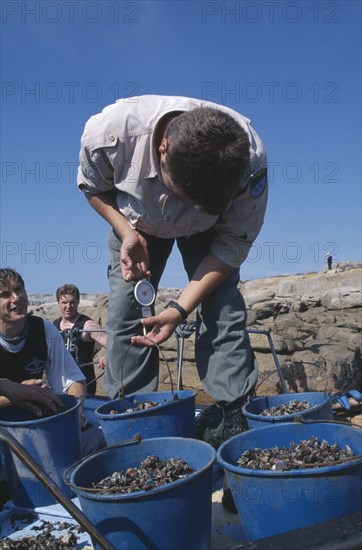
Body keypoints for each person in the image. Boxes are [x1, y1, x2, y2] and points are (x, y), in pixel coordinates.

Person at [77, 95, 268, 449]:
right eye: (183, 194)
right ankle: (129, 415)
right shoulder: (107, 135)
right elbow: (93, 188)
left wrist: (179, 310)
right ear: (163, 148)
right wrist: (126, 231)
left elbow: (231, 247)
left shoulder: (249, 159)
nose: (185, 209)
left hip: (210, 231)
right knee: (124, 315)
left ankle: (235, 413)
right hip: (137, 223)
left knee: (223, 307)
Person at [0, 268, 105, 454]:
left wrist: (76, 411)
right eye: (5, 294)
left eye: (19, 289)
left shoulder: (44, 330)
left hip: (36, 424)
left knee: (98, 437)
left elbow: (72, 380)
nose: (16, 298)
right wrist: (13, 393)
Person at [54, 284, 107, 394]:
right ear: (58, 302)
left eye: (72, 302)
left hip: (85, 385)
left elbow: (113, 343)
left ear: (78, 302)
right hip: (60, 384)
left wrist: (108, 355)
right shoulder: (55, 325)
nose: (68, 306)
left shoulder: (88, 325)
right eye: (64, 302)